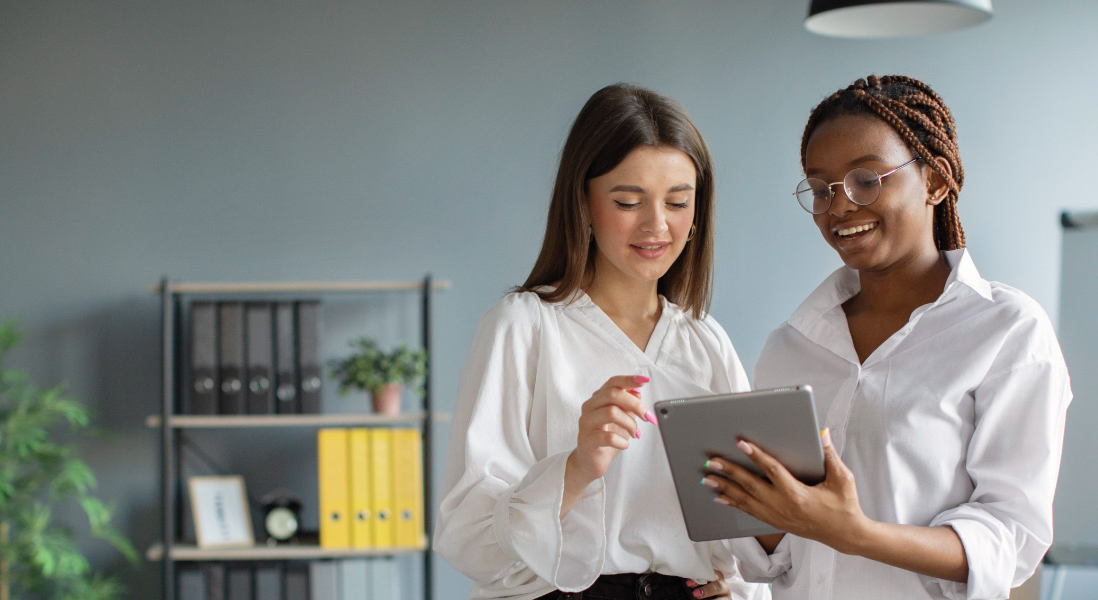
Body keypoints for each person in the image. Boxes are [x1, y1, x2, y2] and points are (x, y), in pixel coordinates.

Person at [701, 75, 1072, 599]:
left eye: (866, 180)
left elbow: (1009, 539)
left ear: (936, 181)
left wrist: (854, 534)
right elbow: (774, 560)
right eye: (822, 189)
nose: (840, 207)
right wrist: (762, 507)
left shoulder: (1007, 331)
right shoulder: (790, 345)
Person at [434, 83, 767, 600]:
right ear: (583, 203)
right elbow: (467, 537)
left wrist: (740, 591)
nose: (657, 225)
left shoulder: (706, 341)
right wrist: (574, 468)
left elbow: (744, 530)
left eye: (678, 201)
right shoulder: (524, 325)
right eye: (628, 201)